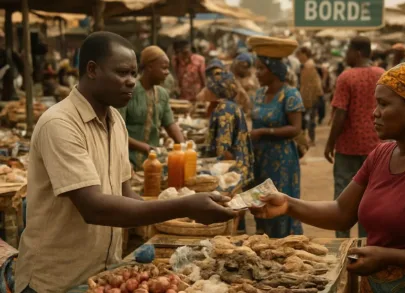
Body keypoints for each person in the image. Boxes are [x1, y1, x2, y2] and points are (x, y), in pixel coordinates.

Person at [15, 32, 236, 293]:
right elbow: (93, 207)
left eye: (133, 73)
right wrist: (184, 206)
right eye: (122, 73)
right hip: (55, 280)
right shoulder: (60, 124)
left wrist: (183, 219)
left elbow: (125, 194)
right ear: (92, 70)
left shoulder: (115, 122)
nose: (131, 82)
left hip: (102, 274)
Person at [252, 62, 405, 293]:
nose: (375, 113)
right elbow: (342, 213)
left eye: (383, 104)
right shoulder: (382, 155)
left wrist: (387, 256)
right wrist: (287, 204)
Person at [325, 36, 384, 238]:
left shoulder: (346, 77)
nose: (346, 55)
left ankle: (342, 245)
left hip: (348, 148)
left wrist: (330, 143)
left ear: (357, 52)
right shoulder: (382, 74)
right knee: (370, 198)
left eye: (348, 50)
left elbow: (340, 114)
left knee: (343, 198)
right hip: (376, 148)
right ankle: (365, 246)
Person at [248, 36, 304, 238]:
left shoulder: (290, 94)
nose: (257, 73)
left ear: (274, 71)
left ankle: (284, 244)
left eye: (261, 69)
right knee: (259, 203)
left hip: (282, 159)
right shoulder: (259, 94)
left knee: (279, 203)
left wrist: (264, 132)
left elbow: (295, 128)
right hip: (260, 159)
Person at [119, 46, 185, 170]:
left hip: (153, 160)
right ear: (149, 67)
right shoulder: (128, 92)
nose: (167, 72)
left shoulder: (162, 94)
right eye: (164, 68)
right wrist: (145, 147)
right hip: (127, 161)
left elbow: (171, 125)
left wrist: (183, 147)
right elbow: (117, 133)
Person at [201, 59, 254, 186]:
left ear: (216, 89)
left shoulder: (225, 110)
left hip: (233, 171)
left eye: (209, 87)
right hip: (237, 165)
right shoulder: (228, 105)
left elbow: (223, 150)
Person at [296, 47, 324, 146]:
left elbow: (309, 86)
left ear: (304, 54)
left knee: (309, 120)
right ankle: (310, 139)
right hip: (311, 96)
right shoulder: (308, 65)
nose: (298, 57)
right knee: (309, 119)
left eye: (299, 55)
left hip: (310, 97)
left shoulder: (308, 66)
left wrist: (305, 100)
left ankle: (310, 140)